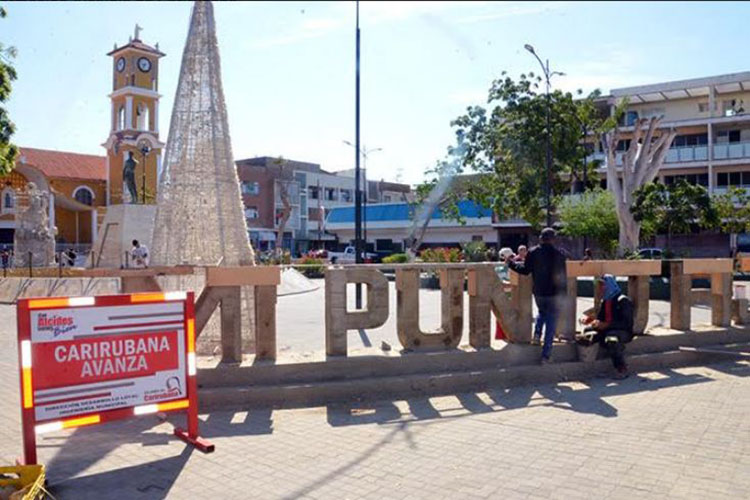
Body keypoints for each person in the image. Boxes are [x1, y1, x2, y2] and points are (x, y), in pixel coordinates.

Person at [507, 227, 568, 364]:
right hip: (554, 293)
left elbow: (525, 270)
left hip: (539, 292)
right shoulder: (559, 254)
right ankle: (546, 355)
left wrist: (511, 264)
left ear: (541, 238)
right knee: (551, 323)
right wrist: (564, 295)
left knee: (542, 312)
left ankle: (537, 335)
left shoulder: (533, 253)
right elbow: (562, 277)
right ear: (553, 239)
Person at [580, 275, 634, 379]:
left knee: (611, 338)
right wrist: (592, 322)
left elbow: (627, 323)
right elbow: (601, 319)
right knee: (587, 333)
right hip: (607, 329)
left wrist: (607, 325)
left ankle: (621, 368)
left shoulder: (623, 301)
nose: (600, 288)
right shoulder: (606, 301)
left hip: (622, 331)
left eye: (602, 285)